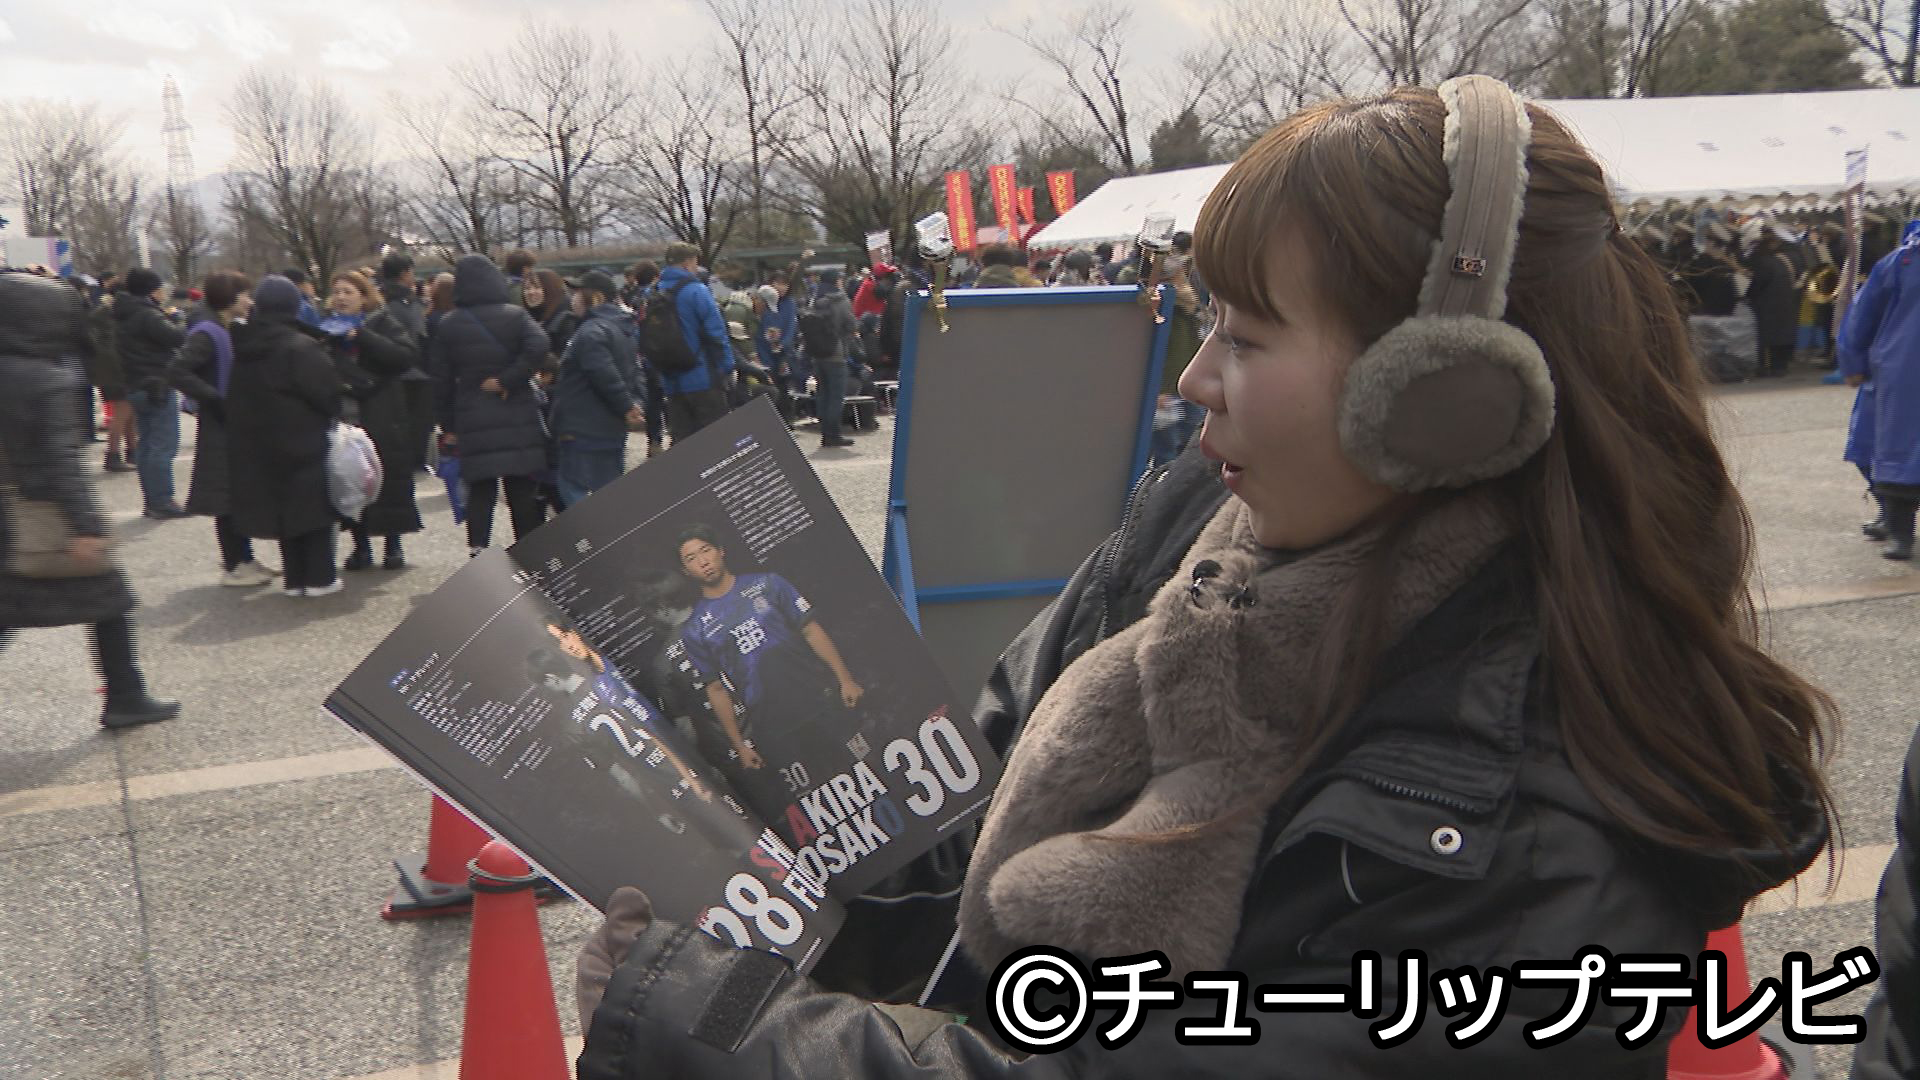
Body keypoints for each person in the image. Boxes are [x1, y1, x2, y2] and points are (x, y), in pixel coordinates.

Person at [574, 78, 1833, 1076]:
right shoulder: (1197, 525)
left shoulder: (1530, 822)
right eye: (1205, 321)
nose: (1194, 380)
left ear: (1442, 395)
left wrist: (703, 1024)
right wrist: (777, 893)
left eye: (1249, 335)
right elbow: (974, 818)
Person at [0, 271, 179, 729]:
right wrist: (88, 524)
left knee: (10, 610)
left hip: (8, 514)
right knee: (111, 603)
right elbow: (61, 460)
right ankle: (126, 696)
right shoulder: (49, 378)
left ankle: (127, 695)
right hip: (45, 516)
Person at [668, 525, 863, 778]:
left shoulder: (768, 583)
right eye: (691, 558)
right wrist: (740, 746)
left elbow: (810, 630)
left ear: (721, 551)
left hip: (820, 697)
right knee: (819, 786)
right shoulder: (695, 628)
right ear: (686, 571)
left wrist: (845, 679)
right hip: (772, 722)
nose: (703, 561)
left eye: (706, 550)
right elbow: (715, 689)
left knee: (863, 767)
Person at [227, 277, 344, 598]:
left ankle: (296, 579)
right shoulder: (300, 346)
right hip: (303, 436)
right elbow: (327, 394)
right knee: (313, 508)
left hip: (260, 441)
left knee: (285, 509)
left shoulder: (244, 347)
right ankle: (320, 578)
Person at [429, 255, 552, 554]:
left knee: (481, 488)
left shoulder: (449, 324)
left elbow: (441, 381)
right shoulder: (516, 316)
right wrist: (509, 379)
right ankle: (529, 550)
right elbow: (540, 346)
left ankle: (479, 548)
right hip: (516, 409)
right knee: (520, 487)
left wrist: (448, 425)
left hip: (472, 413)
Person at [166, 270, 280, 587]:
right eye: (245, 295)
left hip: (231, 422)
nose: (250, 301)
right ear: (229, 297)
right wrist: (214, 397)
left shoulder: (224, 326)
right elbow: (176, 370)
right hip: (220, 424)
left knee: (237, 494)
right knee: (227, 496)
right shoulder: (207, 331)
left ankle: (245, 558)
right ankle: (234, 565)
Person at [322, 271, 425, 571]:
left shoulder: (382, 322)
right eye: (337, 292)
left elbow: (404, 356)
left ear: (364, 296)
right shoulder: (326, 329)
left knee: (387, 480)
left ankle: (393, 545)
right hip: (346, 416)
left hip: (383, 414)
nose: (341, 297)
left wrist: (363, 336)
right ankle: (361, 546)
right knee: (351, 480)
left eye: (348, 292)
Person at [1837, 220, 1920, 561]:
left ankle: (1896, 524)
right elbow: (1863, 313)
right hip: (1903, 371)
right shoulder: (1901, 262)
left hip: (1900, 370)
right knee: (1887, 448)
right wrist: (1853, 361)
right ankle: (1898, 527)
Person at [550, 271, 645, 508]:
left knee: (573, 488)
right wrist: (635, 404)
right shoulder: (623, 328)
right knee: (609, 494)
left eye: (577, 293)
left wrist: (626, 406)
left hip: (583, 426)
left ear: (596, 297)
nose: (573, 299)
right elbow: (635, 372)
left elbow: (602, 372)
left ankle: (595, 532)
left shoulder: (590, 332)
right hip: (611, 427)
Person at [115, 267, 190, 519]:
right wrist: (178, 318)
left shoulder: (124, 312)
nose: (163, 293)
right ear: (151, 291)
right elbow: (177, 338)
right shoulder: (148, 315)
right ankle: (162, 500)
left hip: (136, 384)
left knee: (147, 444)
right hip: (157, 384)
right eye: (160, 288)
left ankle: (152, 500)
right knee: (162, 445)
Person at [650, 242, 734, 446]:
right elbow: (716, 333)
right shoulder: (697, 291)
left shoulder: (652, 294)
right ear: (687, 263)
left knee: (683, 445)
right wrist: (727, 367)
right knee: (716, 444)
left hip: (671, 379)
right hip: (702, 376)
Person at [801, 269, 857, 449]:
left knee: (823, 395)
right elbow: (851, 325)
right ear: (835, 281)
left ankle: (825, 433)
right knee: (836, 396)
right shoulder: (841, 299)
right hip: (836, 353)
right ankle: (834, 434)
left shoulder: (814, 299)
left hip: (817, 354)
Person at [87, 275, 138, 473]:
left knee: (128, 413)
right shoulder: (113, 314)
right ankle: (113, 455)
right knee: (122, 414)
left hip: (108, 370)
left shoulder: (102, 311)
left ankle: (132, 452)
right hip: (117, 371)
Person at [1746, 229, 1802, 378]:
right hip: (1786, 301)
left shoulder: (1763, 262)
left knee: (1767, 336)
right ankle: (1781, 365)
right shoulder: (1784, 260)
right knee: (1782, 334)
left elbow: (1757, 284)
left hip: (1767, 304)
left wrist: (1748, 295)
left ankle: (1765, 366)